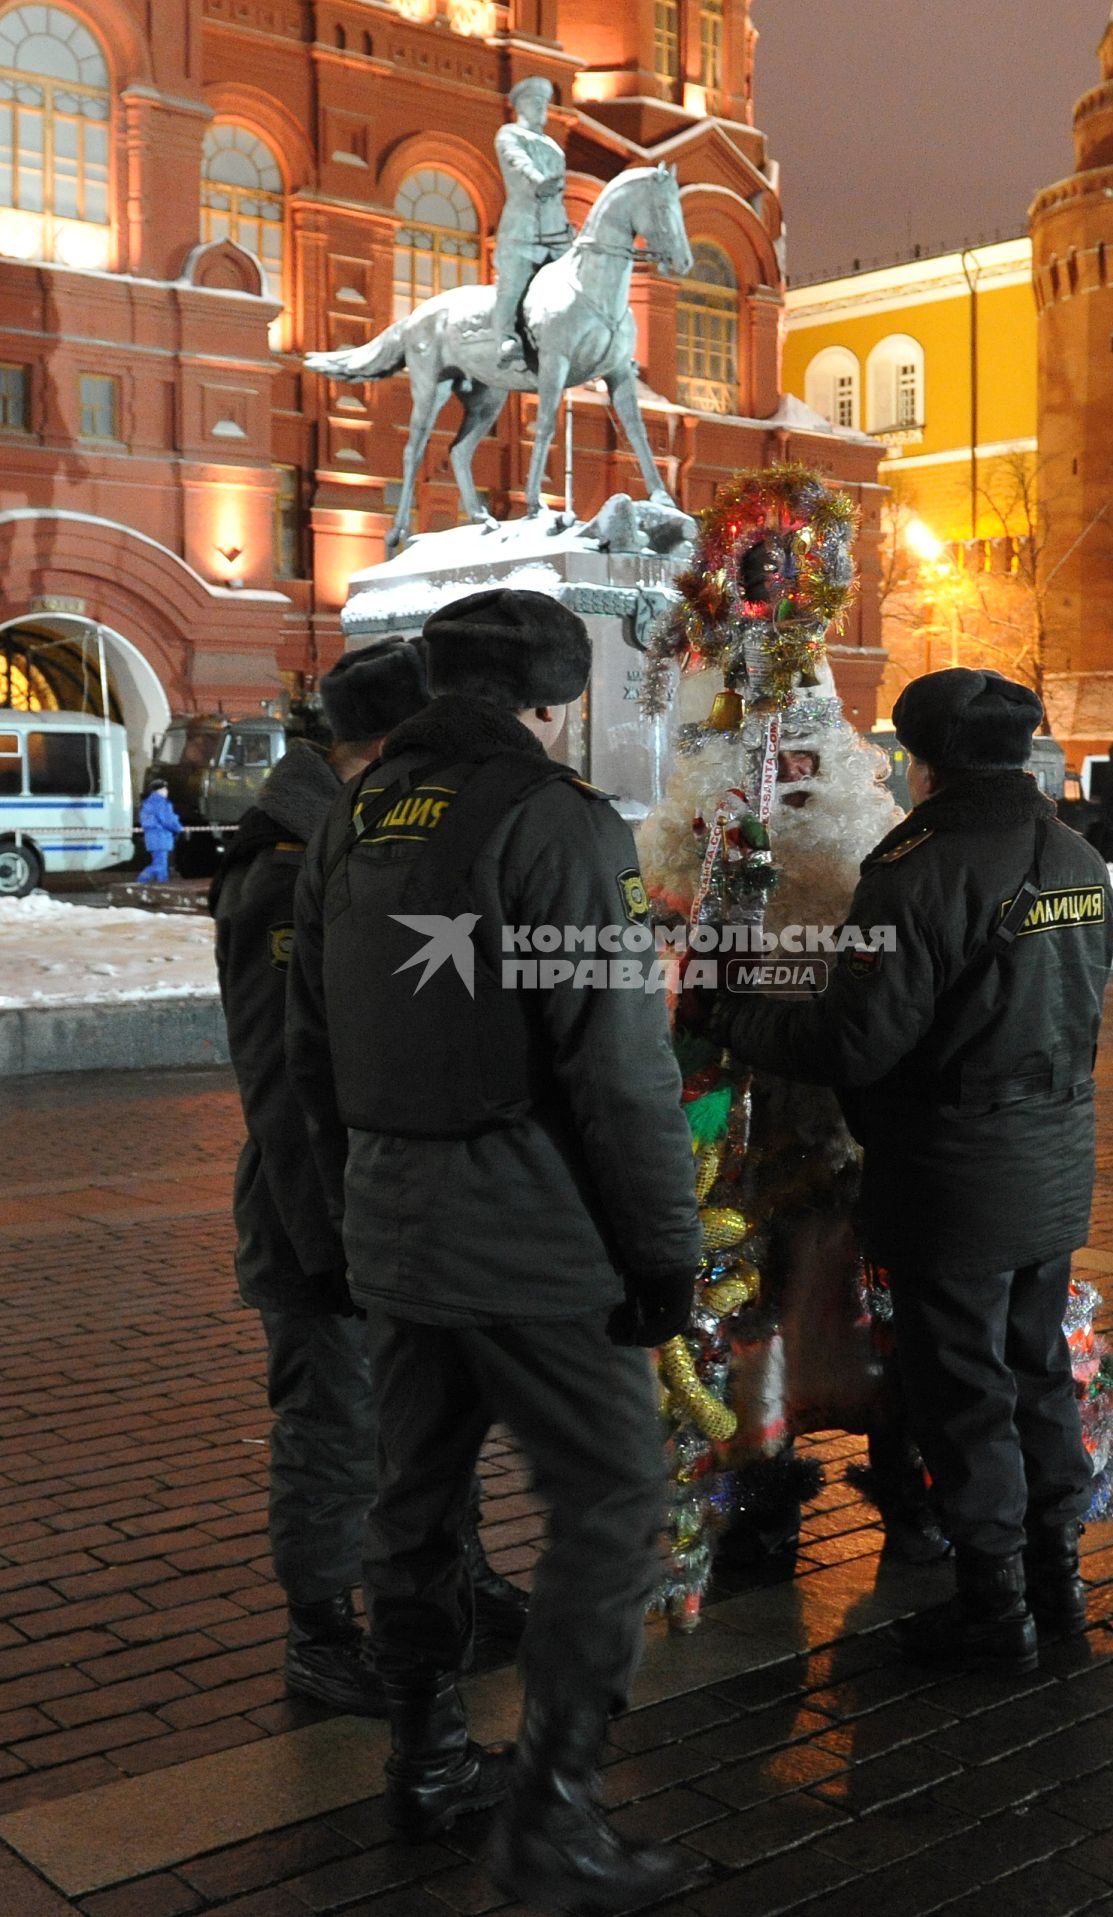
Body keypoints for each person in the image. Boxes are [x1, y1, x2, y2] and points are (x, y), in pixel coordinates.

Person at [286, 588, 703, 1904]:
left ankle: (423, 1759)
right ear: (559, 697)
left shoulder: (351, 813)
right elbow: (620, 1066)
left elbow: (308, 1051)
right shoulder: (556, 819)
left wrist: (352, 1202)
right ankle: (555, 1811)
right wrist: (662, 1253)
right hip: (530, 1229)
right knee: (617, 1500)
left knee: (418, 1497)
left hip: (393, 1222)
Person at [709, 668, 1113, 1674]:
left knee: (962, 1386)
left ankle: (992, 1612)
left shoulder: (918, 866)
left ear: (917, 761)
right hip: (1051, 1156)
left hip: (950, 1171)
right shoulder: (1073, 854)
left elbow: (859, 1039)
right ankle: (1052, 1583)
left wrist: (722, 1013)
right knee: (1032, 1374)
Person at [211, 639, 528, 1718]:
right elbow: (283, 1086)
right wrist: (332, 1241)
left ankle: (464, 1579)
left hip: (394, 1206)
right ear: (394, 745)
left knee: (431, 1416)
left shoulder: (363, 842)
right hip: (321, 1221)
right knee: (336, 1422)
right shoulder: (288, 867)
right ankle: (320, 1628)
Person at [493, 76, 573, 368]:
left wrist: (566, 228)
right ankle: (505, 338)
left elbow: (559, 195)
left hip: (555, 232)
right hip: (523, 229)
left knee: (580, 281)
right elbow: (518, 165)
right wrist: (539, 183)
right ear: (520, 105)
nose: (542, 108)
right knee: (513, 283)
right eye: (535, 102)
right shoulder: (509, 135)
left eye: (545, 103)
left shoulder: (553, 146)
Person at [137, 780, 184, 882]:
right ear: (160, 790)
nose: (167, 791)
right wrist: (178, 827)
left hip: (151, 837)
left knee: (161, 863)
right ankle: (141, 880)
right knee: (159, 865)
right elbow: (168, 820)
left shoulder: (147, 803)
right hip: (161, 836)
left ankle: (163, 884)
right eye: (165, 789)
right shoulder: (162, 803)